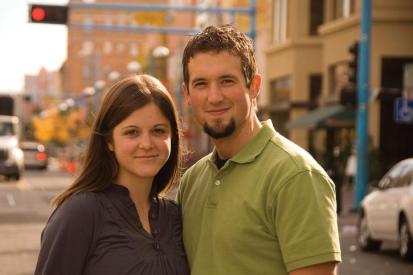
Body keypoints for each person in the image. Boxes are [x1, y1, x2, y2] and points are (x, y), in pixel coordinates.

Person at [177, 25, 341, 275]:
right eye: (201, 84)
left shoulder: (296, 176)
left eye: (227, 81)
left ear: (254, 85)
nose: (214, 97)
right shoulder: (192, 181)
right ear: (187, 94)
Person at [35, 75, 189, 275]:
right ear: (109, 141)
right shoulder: (80, 213)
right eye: (132, 132)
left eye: (158, 131)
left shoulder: (175, 216)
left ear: (173, 137)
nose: (147, 144)